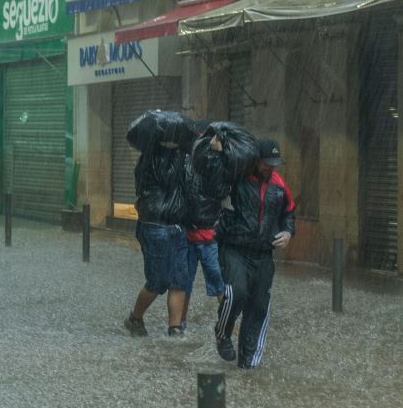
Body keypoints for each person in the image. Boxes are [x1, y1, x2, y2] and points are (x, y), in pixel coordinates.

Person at [214, 138, 295, 369]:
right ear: (255, 159)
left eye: (274, 163)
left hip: (263, 255)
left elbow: (289, 214)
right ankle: (222, 333)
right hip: (234, 249)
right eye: (266, 163)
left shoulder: (279, 185)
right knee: (235, 293)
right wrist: (218, 154)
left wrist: (288, 232)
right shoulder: (236, 177)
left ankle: (249, 365)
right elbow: (214, 179)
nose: (270, 167)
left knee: (259, 307)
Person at [124, 115, 194, 337]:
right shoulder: (150, 160)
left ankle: (174, 329)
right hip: (154, 226)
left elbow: (192, 184)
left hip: (177, 226)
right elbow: (167, 179)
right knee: (157, 281)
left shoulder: (183, 158)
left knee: (180, 280)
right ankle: (135, 318)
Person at [178, 122, 238, 333]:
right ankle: (180, 323)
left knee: (217, 281)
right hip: (192, 233)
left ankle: (226, 323)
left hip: (208, 234)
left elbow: (221, 192)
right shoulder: (190, 162)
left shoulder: (216, 164)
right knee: (186, 282)